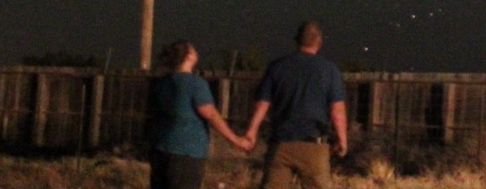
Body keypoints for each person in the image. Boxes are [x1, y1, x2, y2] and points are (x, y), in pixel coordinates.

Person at [244, 21, 349, 189]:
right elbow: (337, 110)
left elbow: (262, 104)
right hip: (314, 145)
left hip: (281, 143)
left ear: (297, 41)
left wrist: (251, 131)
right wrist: (342, 139)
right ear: (319, 42)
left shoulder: (277, 67)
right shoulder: (329, 70)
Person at [149, 40, 253, 189]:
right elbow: (210, 113)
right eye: (193, 50)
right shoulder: (195, 84)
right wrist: (236, 140)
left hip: (160, 148)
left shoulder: (163, 83)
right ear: (189, 56)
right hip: (186, 151)